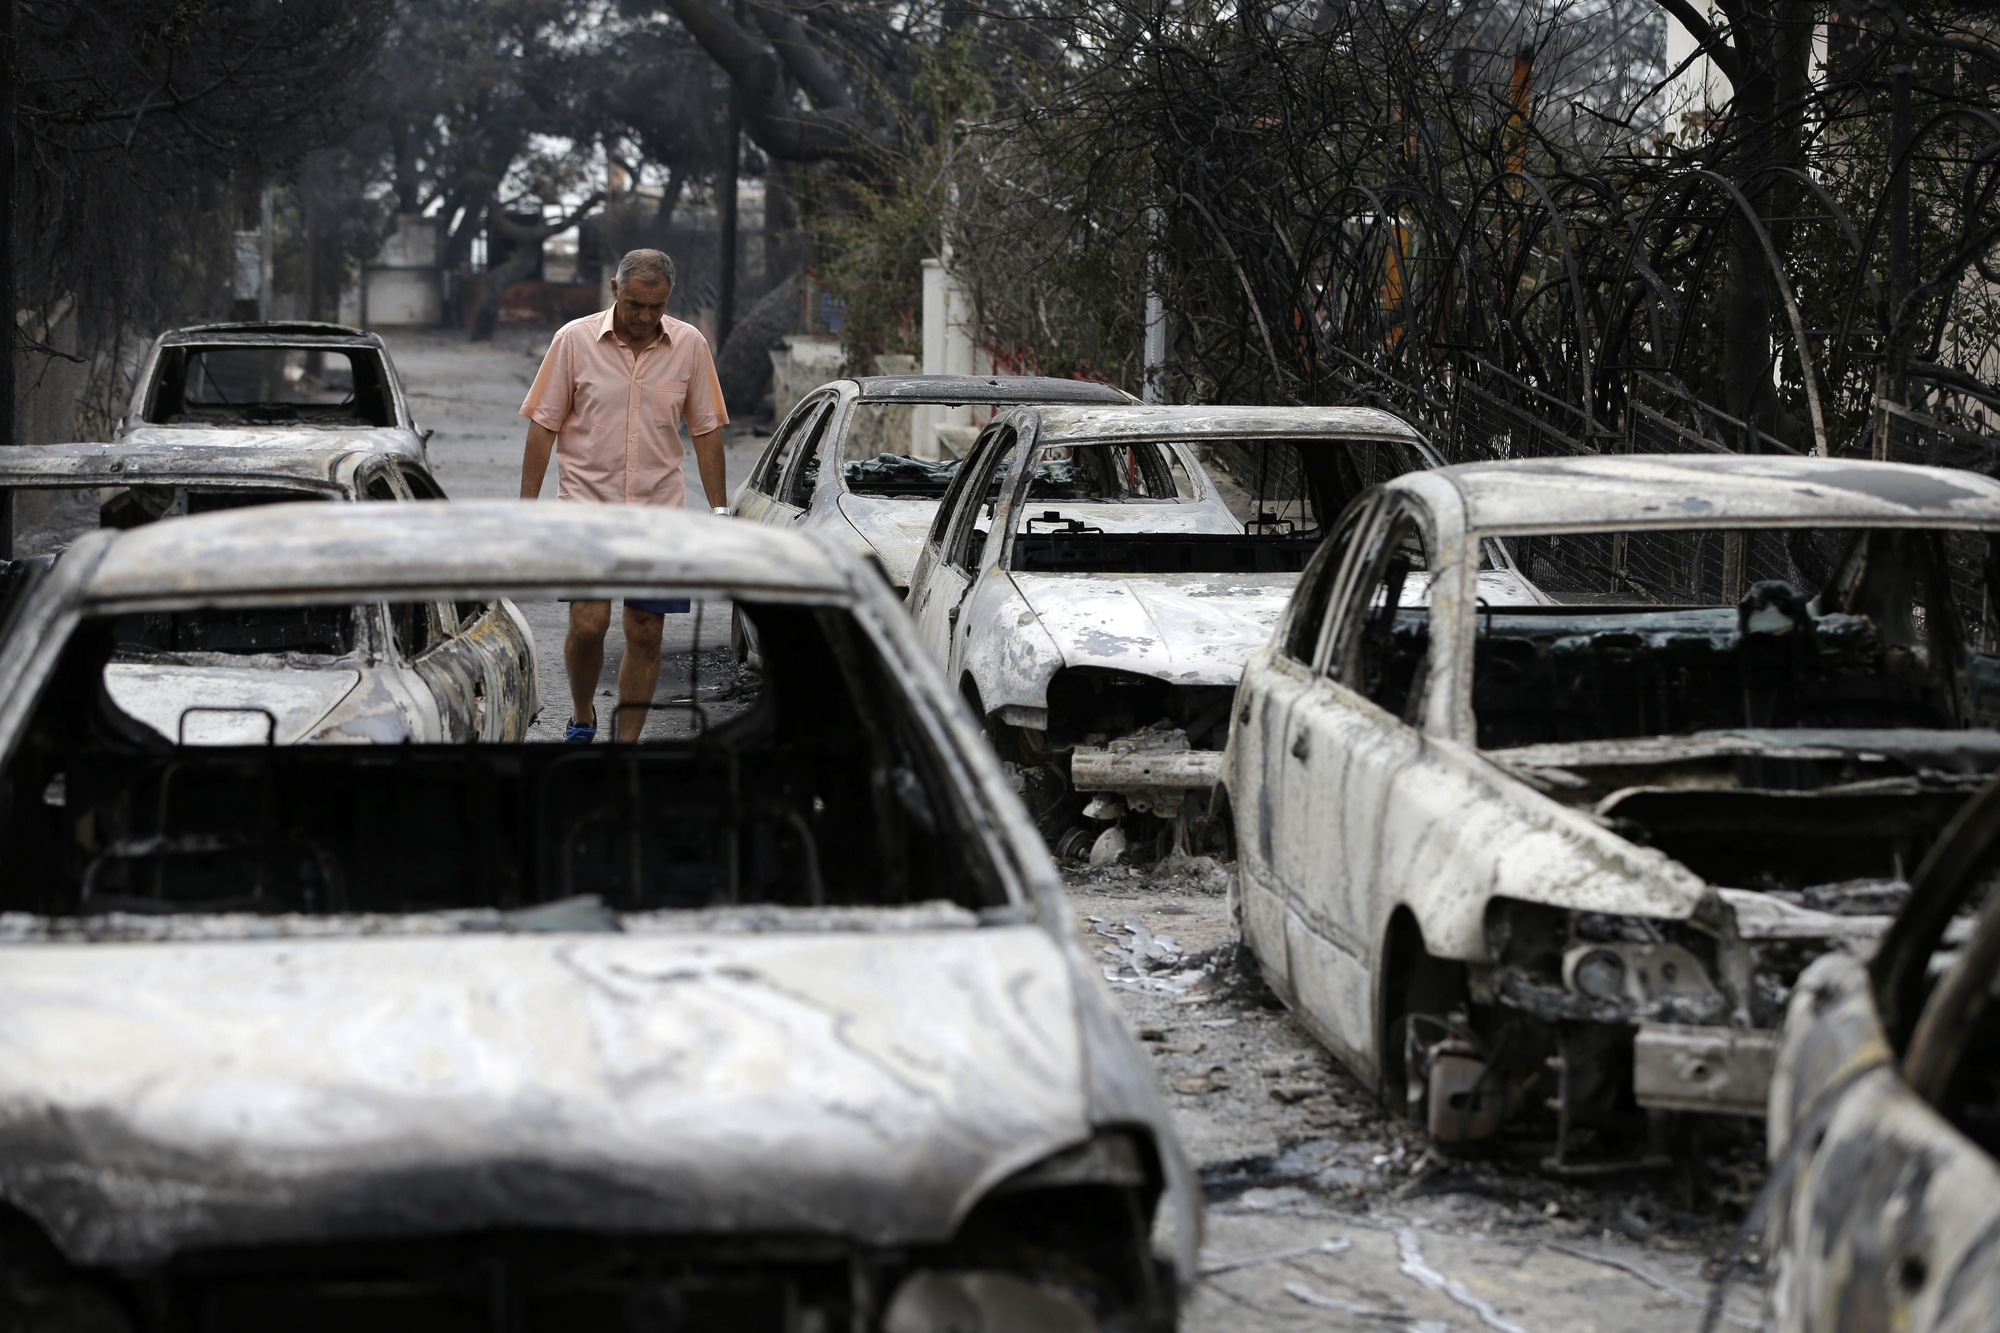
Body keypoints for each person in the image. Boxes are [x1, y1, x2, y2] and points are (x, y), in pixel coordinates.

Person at [518, 248, 729, 743]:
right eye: (635, 304)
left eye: (656, 307)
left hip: (659, 515)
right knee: (589, 623)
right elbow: (542, 428)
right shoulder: (573, 342)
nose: (645, 316)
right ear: (615, 290)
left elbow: (706, 431)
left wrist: (719, 511)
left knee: (646, 628)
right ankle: (582, 714)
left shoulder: (690, 346)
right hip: (586, 512)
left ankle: (625, 749)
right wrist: (523, 512)